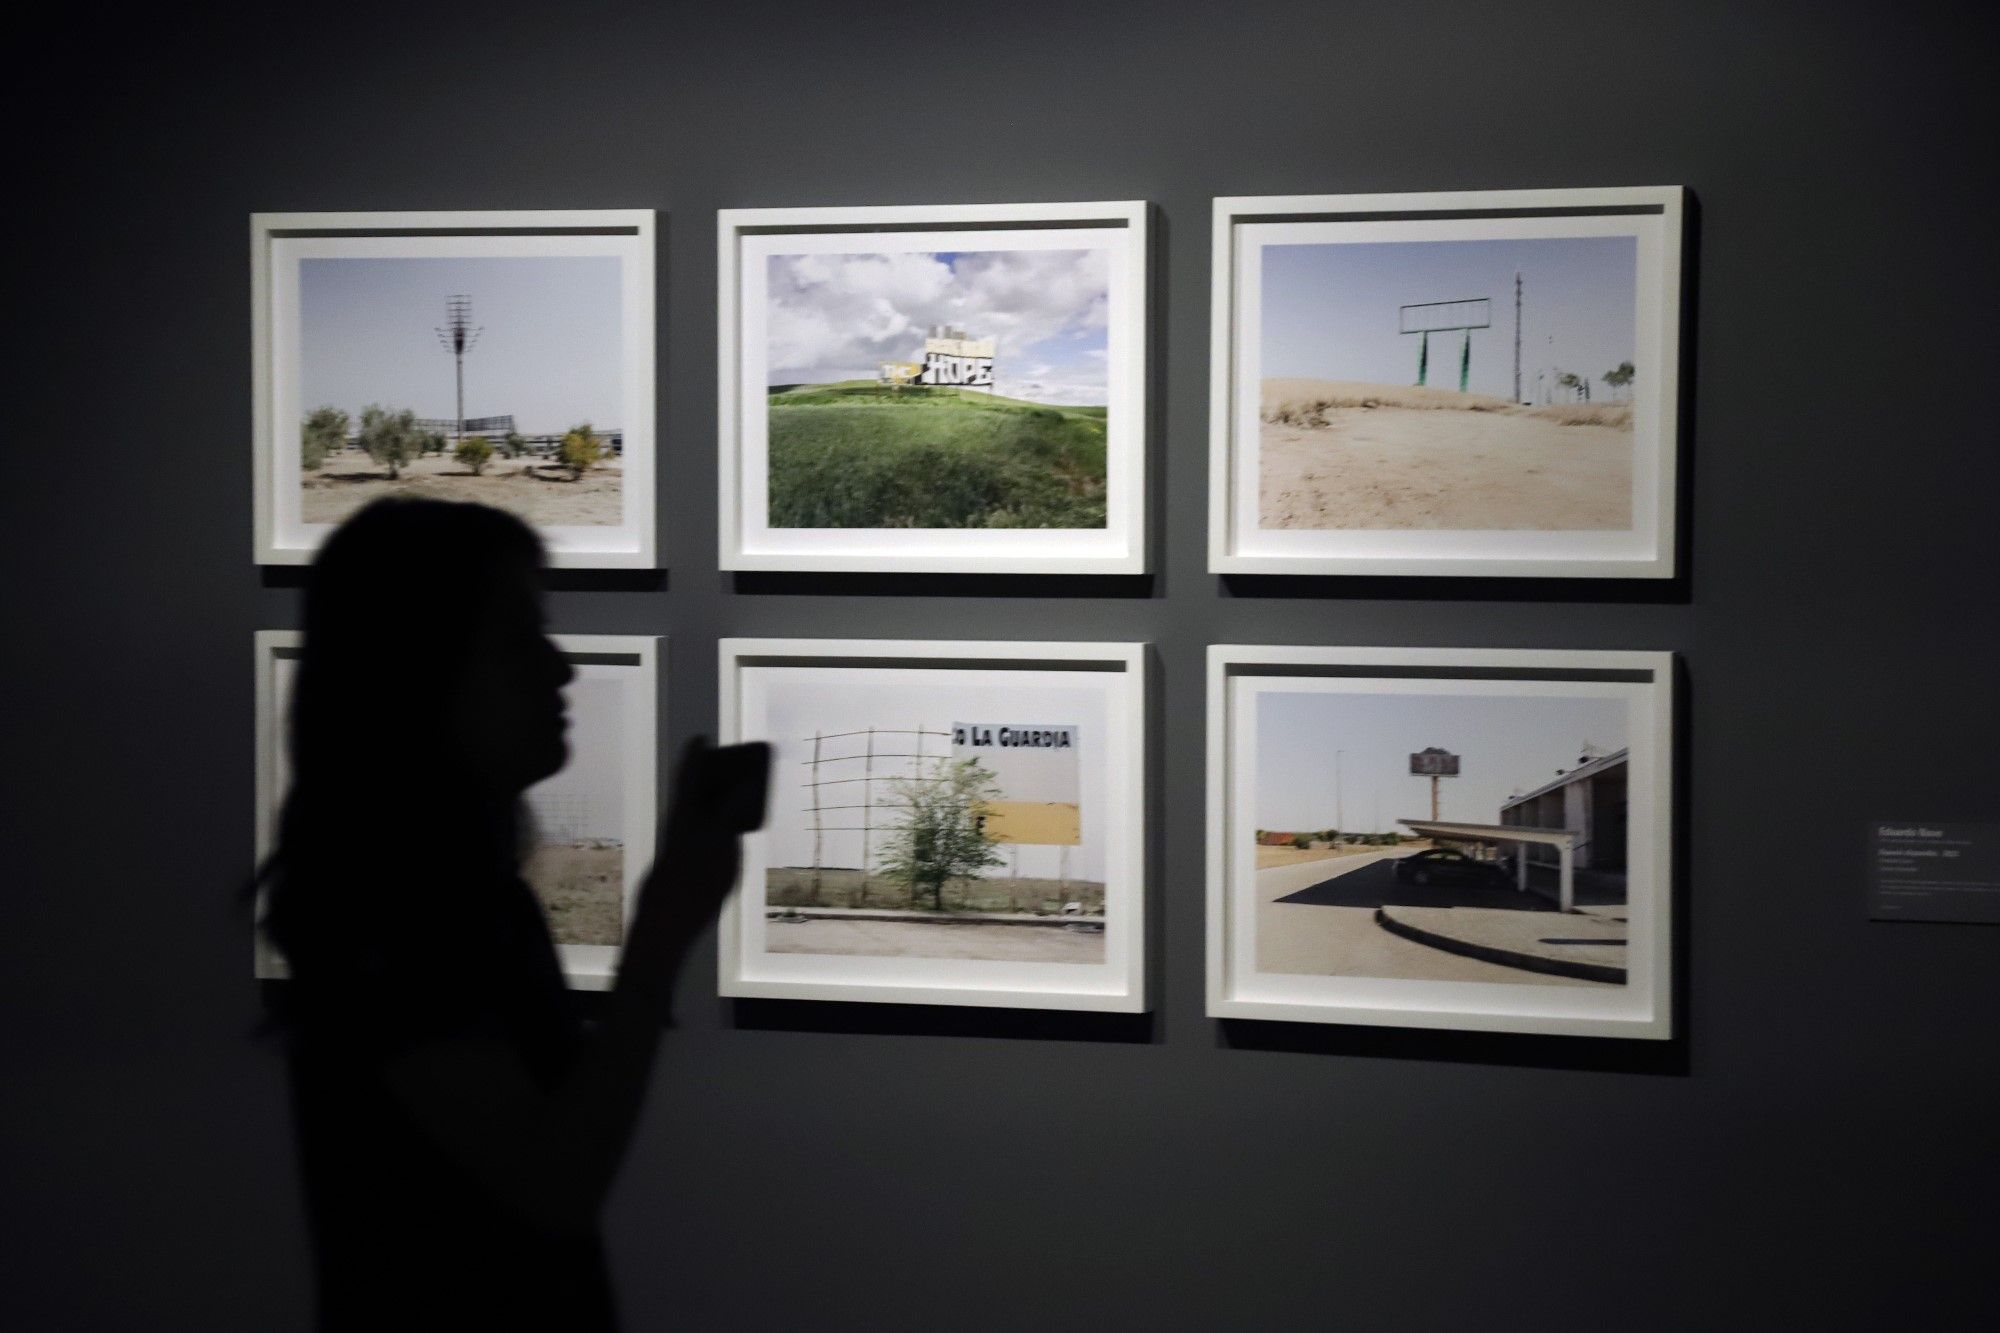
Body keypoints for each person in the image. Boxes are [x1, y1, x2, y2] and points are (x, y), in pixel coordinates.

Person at [258, 498, 753, 1330]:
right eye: (519, 637)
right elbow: (551, 1187)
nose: (559, 669)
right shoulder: (394, 911)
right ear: (420, 671)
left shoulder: (454, 893)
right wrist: (662, 932)